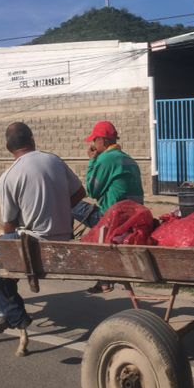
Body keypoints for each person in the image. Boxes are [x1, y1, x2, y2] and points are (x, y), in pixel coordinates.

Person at [0, 123, 85, 335]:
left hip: (34, 243)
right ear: (33, 140)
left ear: (8, 147)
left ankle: (11, 313)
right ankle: (4, 311)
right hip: (65, 237)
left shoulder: (8, 176)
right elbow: (80, 192)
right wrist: (59, 208)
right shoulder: (54, 160)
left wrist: (24, 220)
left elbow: (9, 226)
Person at [72, 120, 144, 293]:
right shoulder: (128, 158)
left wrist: (92, 161)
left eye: (94, 140)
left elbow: (92, 191)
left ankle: (64, 241)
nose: (92, 144)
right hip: (132, 216)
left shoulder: (105, 159)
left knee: (70, 205)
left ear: (102, 141)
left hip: (113, 218)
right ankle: (103, 281)